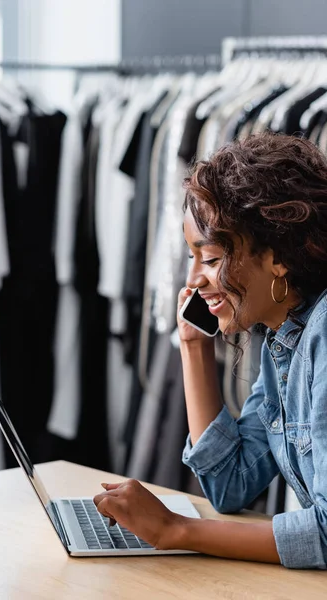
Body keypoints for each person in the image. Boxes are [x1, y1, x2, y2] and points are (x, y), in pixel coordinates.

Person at [94, 132, 327, 569]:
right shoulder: (282, 334)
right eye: (191, 258)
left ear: (279, 258)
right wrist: (193, 344)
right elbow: (230, 484)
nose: (195, 279)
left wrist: (176, 530)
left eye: (213, 258)